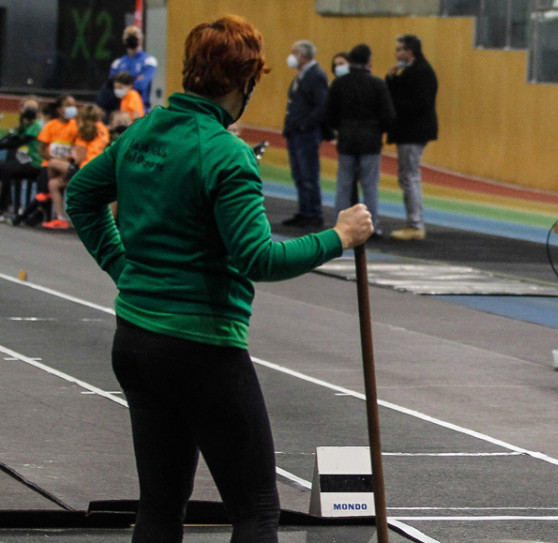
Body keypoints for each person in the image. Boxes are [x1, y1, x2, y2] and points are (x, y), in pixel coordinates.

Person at [65, 15, 373, 542]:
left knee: (160, 507)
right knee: (255, 510)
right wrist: (340, 237)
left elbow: (80, 196)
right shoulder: (227, 154)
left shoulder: (143, 130)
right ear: (244, 81)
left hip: (136, 341)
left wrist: (125, 269)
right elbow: (259, 258)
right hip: (202, 348)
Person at [325, 43, 395, 238]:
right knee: (370, 186)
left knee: (344, 185)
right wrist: (379, 129)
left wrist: (340, 129)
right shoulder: (377, 84)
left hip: (346, 137)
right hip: (370, 139)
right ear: (368, 61)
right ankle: (371, 226)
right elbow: (388, 116)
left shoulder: (339, 84)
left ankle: (339, 227)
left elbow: (329, 114)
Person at [385, 34, 438, 241]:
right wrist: (392, 78)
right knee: (407, 176)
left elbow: (416, 104)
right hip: (410, 131)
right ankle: (413, 222)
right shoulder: (412, 71)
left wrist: (394, 104)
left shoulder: (421, 72)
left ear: (409, 51)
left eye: (399, 49)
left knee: (410, 177)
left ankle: (415, 224)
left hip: (412, 132)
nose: (396, 53)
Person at [9, 95, 78, 226]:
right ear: (59, 109)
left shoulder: (76, 127)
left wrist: (65, 160)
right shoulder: (51, 126)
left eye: (73, 105)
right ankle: (38, 214)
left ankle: (25, 216)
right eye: (68, 105)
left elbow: (77, 149)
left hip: (67, 166)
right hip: (49, 164)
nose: (72, 108)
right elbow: (42, 150)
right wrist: (55, 160)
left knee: (53, 186)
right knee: (44, 190)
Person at [281, 40, 329, 228]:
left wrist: (304, 124)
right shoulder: (301, 76)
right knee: (299, 175)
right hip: (295, 132)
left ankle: (314, 213)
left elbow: (322, 105)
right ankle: (304, 211)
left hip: (306, 134)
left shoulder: (316, 75)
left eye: (294, 53)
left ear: (303, 55)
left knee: (308, 174)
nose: (291, 57)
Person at [43, 104, 109, 230]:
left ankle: (61, 217)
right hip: (99, 170)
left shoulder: (84, 131)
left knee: (52, 165)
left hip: (85, 171)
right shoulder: (103, 129)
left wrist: (71, 155)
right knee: (54, 184)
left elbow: (79, 158)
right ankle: (60, 211)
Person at [0, 96, 43, 218]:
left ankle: (3, 208)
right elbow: (9, 138)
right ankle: (7, 204)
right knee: (5, 168)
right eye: (27, 107)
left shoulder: (37, 126)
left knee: (6, 170)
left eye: (33, 108)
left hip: (35, 163)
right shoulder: (22, 125)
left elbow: (18, 142)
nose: (30, 110)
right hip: (21, 161)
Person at [104, 26, 157, 112]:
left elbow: (141, 85)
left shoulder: (148, 61)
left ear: (141, 39)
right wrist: (135, 79)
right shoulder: (117, 63)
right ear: (124, 39)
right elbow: (111, 85)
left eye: (135, 35)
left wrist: (122, 85)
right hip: (119, 108)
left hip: (141, 108)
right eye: (129, 35)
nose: (132, 38)